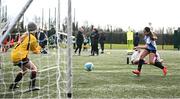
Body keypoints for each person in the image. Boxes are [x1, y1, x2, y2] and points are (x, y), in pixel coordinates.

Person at [9, 22, 41, 91]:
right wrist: (40, 49)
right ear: (35, 29)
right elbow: (35, 51)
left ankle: (13, 85)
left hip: (14, 55)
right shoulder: (33, 38)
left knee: (24, 70)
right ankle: (32, 87)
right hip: (20, 56)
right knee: (34, 69)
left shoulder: (25, 35)